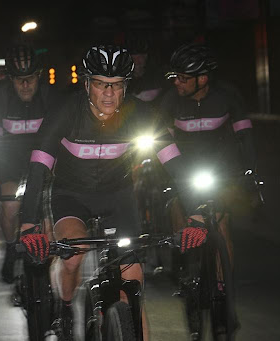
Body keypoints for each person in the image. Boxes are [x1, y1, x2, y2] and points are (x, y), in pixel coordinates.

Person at [18, 45, 207, 341]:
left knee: (133, 285)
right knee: (72, 257)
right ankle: (65, 308)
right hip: (71, 195)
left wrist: (195, 214)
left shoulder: (141, 114)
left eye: (117, 86)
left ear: (125, 88)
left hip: (118, 196)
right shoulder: (65, 112)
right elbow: (38, 169)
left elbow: (176, 166)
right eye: (101, 84)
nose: (109, 93)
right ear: (86, 84)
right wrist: (28, 224)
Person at [159, 42, 259, 262]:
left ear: (202, 79)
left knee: (222, 229)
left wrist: (250, 172)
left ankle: (223, 288)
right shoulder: (170, 100)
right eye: (175, 76)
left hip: (220, 168)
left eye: (183, 78)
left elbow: (245, 137)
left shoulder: (227, 95)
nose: (176, 82)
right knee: (176, 204)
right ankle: (184, 261)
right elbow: (161, 141)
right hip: (183, 167)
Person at [0, 43, 66, 283]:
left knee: (51, 210)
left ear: (39, 76)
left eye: (30, 78)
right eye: (19, 79)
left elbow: (64, 138)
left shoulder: (52, 96)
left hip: (45, 159)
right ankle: (11, 250)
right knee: (10, 206)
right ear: (10, 79)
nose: (25, 85)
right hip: (10, 160)